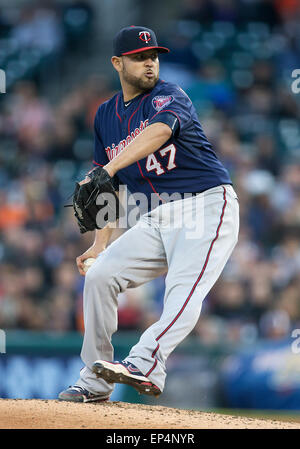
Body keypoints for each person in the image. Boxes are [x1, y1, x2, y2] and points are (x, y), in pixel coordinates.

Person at [58, 26, 239, 402]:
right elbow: (109, 188)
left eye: (153, 56)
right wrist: (98, 244)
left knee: (182, 292)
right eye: (140, 57)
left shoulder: (169, 96)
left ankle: (146, 363)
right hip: (154, 216)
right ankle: (94, 382)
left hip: (204, 205)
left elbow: (158, 132)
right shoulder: (106, 116)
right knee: (100, 276)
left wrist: (107, 169)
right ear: (117, 63)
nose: (149, 63)